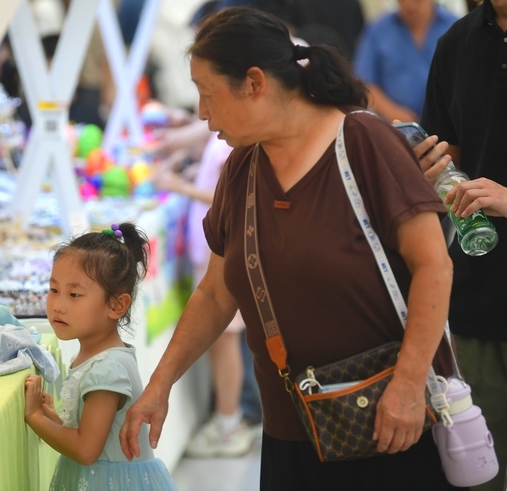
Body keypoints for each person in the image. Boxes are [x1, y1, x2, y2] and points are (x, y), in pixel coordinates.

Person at [120, 7, 458, 490]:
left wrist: (407, 384)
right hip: (292, 431)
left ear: (254, 83)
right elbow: (216, 294)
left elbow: (434, 266)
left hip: (389, 419)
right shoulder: (240, 171)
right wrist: (159, 385)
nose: (201, 112)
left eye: (208, 93)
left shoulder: (363, 143)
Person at [418, 1, 507, 490]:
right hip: (478, 299)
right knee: (480, 473)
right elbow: (448, 146)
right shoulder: (456, 43)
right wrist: (433, 167)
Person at [23, 223, 177, 490]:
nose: (58, 305)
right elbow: (96, 438)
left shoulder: (106, 369)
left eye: (74, 294)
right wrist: (51, 417)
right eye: (53, 289)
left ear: (117, 305)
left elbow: (86, 450)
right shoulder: (100, 357)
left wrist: (35, 416)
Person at [154, 131, 256, 458]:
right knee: (222, 343)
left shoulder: (235, 142)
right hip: (210, 251)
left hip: (218, 254)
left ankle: (229, 424)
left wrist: (178, 186)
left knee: (225, 342)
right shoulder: (223, 135)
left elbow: (228, 197)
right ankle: (229, 419)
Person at [354, 0, 457, 123]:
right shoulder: (378, 30)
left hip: (447, 123)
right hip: (395, 128)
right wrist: (391, 111)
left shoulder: (454, 27)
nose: (409, 5)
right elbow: (364, 80)